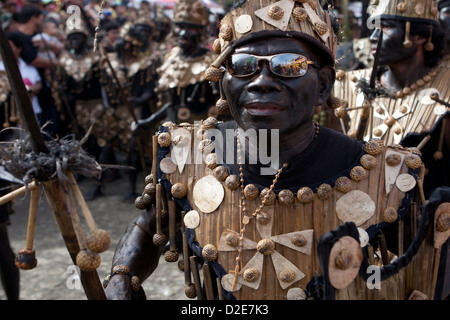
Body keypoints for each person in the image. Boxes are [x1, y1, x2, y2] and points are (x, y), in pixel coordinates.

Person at [104, 0, 450, 300]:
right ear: (224, 82)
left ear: (324, 86)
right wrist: (121, 276)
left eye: (289, 66)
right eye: (243, 66)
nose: (262, 80)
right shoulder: (191, 151)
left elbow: (425, 269)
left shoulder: (380, 173)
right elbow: (152, 223)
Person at [333, 0, 449, 199]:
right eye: (374, 28)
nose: (374, 37)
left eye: (385, 28)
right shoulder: (346, 85)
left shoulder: (446, 87)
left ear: (420, 36)